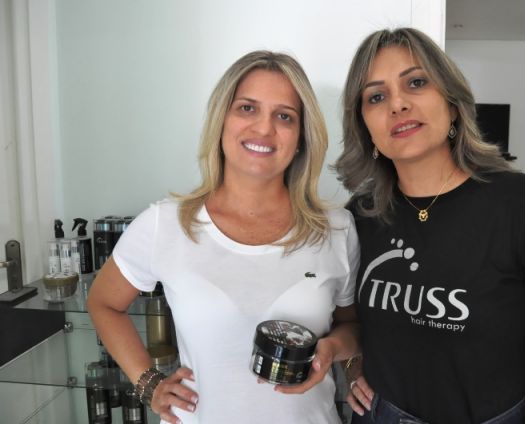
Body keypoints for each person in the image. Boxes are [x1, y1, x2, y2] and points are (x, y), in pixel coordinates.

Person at [333, 28, 525, 424]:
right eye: (376, 96)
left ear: (452, 104)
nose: (398, 104)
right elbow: (350, 319)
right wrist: (352, 363)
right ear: (365, 127)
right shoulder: (361, 214)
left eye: (416, 82)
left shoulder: (524, 205)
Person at [87, 50, 360, 424]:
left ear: (301, 137)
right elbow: (103, 302)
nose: (264, 128)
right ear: (221, 121)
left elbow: (353, 327)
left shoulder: (337, 228)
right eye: (247, 108)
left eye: (284, 116)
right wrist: (148, 383)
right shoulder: (165, 224)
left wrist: (333, 349)